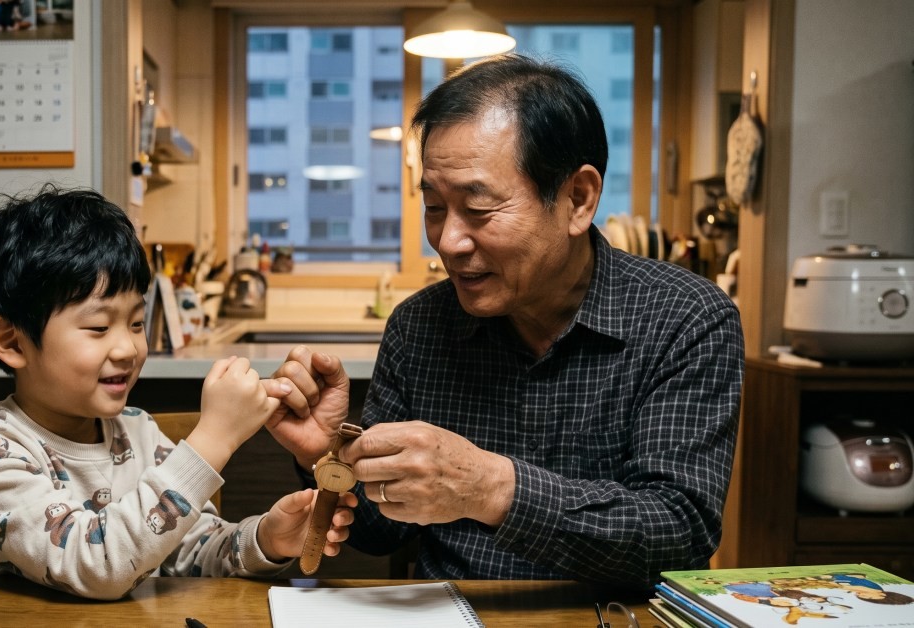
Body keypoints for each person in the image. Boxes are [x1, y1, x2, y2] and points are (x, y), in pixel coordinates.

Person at [266, 54, 744, 590]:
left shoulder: (685, 318)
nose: (449, 241)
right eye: (434, 207)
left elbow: (678, 531)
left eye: (478, 207)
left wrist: (491, 488)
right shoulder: (419, 326)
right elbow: (379, 533)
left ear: (577, 199)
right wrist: (329, 455)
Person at [0, 185, 355, 600]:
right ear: (12, 342)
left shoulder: (136, 430)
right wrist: (213, 438)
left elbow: (188, 550)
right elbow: (96, 565)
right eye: (99, 328)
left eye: (136, 323)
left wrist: (265, 539)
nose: (127, 349)